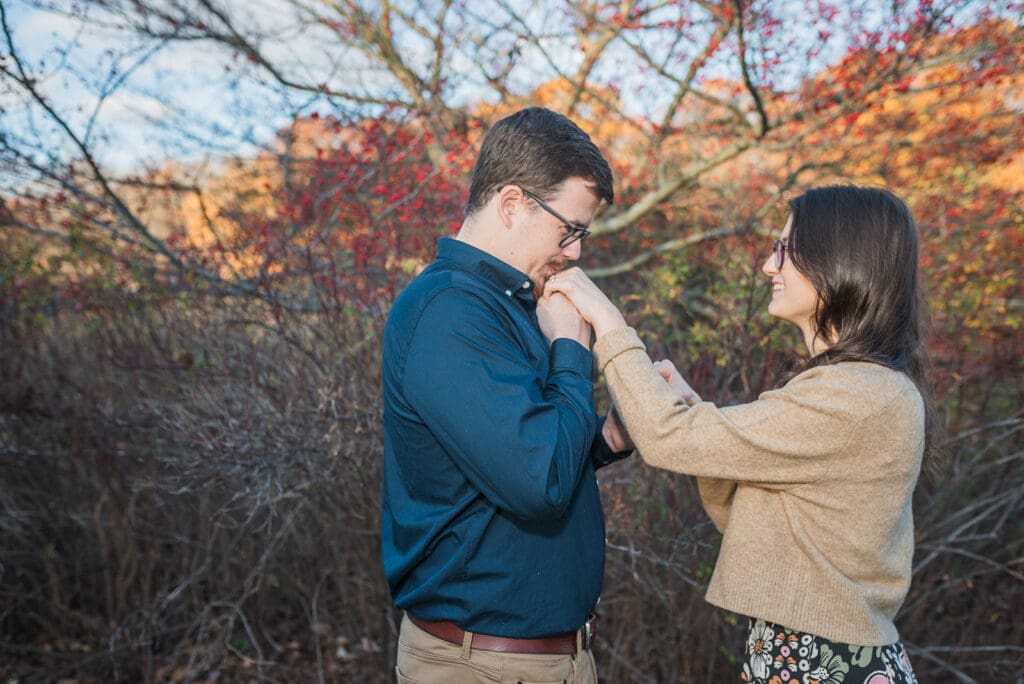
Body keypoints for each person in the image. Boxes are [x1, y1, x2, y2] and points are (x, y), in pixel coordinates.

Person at [544, 185, 935, 683]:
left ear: (841, 260)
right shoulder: (848, 388)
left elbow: (667, 438)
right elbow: (744, 510)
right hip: (803, 656)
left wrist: (606, 320)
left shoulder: (858, 396)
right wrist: (688, 406)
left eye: (785, 251)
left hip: (826, 664)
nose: (770, 267)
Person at [381, 107, 633, 683]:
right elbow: (536, 479)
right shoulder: (449, 311)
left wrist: (606, 438)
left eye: (581, 234)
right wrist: (571, 349)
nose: (574, 252)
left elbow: (526, 451)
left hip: (534, 661)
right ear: (513, 204)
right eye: (569, 229)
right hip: (483, 666)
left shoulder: (510, 305)